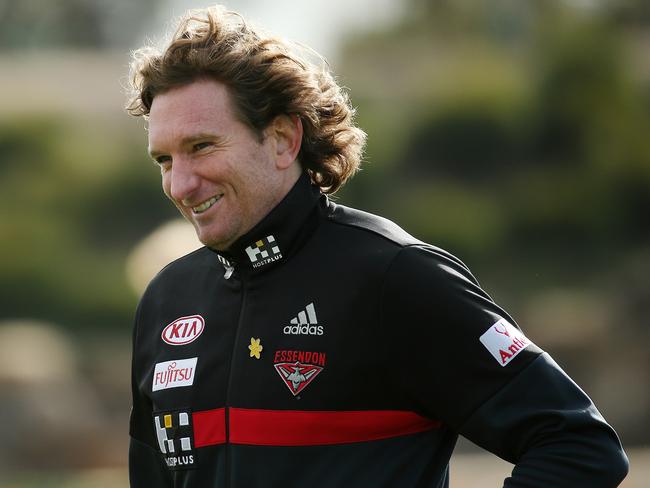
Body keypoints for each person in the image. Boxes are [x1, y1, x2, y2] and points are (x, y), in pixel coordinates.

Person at [125, 5, 628, 487]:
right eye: (164, 160)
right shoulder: (168, 299)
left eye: (201, 146)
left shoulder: (396, 277)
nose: (180, 184)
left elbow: (577, 444)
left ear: (282, 139)